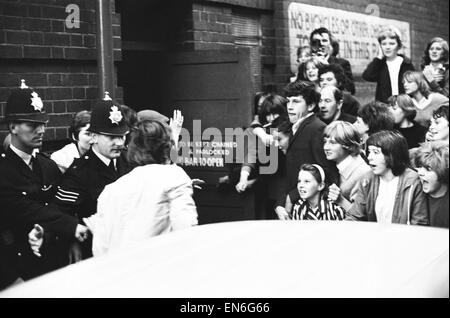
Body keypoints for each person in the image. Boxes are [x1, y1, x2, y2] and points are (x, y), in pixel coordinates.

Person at [0, 80, 88, 290]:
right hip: (16, 271)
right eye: (32, 125)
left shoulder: (47, 166)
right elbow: (26, 210)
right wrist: (9, 279)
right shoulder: (3, 170)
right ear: (12, 126)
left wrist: (71, 239)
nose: (40, 130)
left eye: (42, 124)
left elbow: (61, 207)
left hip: (51, 265)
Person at [83, 120, 198, 256]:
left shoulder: (110, 190)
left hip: (119, 272)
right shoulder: (174, 176)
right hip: (158, 269)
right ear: (166, 149)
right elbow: (186, 231)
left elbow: (100, 248)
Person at [51, 97, 131, 260]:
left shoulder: (130, 161)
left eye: (122, 136)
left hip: (130, 246)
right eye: (111, 137)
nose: (118, 142)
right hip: (98, 253)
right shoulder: (79, 172)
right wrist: (73, 238)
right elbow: (59, 212)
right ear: (93, 137)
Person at [274, 81, 338, 220]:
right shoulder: (293, 128)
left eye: (296, 101)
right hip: (294, 207)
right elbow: (289, 172)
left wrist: (292, 197)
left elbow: (326, 174)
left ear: (311, 105)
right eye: (288, 101)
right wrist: (280, 204)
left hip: (313, 210)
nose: (290, 106)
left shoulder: (317, 129)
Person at [346, 131, 429, 225]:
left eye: (376, 152)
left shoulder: (414, 181)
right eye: (369, 152)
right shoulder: (368, 179)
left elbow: (419, 222)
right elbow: (355, 216)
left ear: (392, 155)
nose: (369, 157)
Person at [323, 121, 371, 211]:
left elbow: (361, 216)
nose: (326, 147)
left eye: (332, 143)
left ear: (349, 145)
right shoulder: (335, 167)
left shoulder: (362, 172)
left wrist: (340, 200)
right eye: (325, 142)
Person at [362, 25, 415, 103]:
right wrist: (379, 57)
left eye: (392, 44)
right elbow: (367, 76)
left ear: (398, 46)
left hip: (403, 104)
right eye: (384, 44)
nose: (387, 47)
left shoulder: (406, 63)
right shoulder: (380, 64)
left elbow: (413, 85)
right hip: (385, 106)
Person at [412, 141, 449, 228]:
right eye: (420, 167)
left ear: (443, 172)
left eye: (428, 169)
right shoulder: (414, 194)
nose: (420, 173)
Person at [310, 27, 355, 95]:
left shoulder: (342, 63)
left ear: (330, 43)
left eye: (324, 40)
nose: (321, 44)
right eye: (316, 41)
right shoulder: (307, 65)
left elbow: (350, 89)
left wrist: (328, 66)